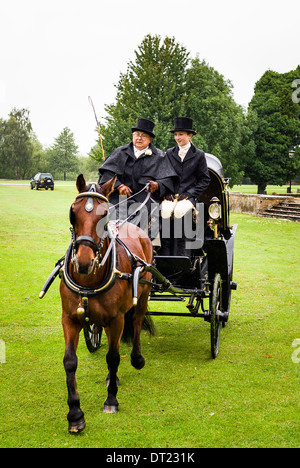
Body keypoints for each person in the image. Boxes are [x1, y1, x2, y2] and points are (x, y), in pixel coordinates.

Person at [98, 118, 178, 238]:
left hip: (146, 201)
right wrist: (119, 186)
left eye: (143, 135)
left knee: (145, 215)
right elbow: (106, 175)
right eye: (137, 134)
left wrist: (157, 185)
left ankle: (134, 243)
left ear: (150, 139)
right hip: (119, 200)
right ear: (132, 136)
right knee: (109, 214)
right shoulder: (120, 152)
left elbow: (168, 180)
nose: (139, 138)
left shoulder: (160, 157)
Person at [160, 117, 210, 256]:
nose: (177, 137)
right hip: (170, 196)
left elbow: (204, 180)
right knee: (164, 212)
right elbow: (164, 176)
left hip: (188, 198)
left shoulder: (199, 155)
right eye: (176, 134)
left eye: (181, 134)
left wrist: (190, 194)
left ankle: (183, 257)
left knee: (180, 213)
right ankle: (164, 257)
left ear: (190, 135)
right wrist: (166, 193)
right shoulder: (169, 153)